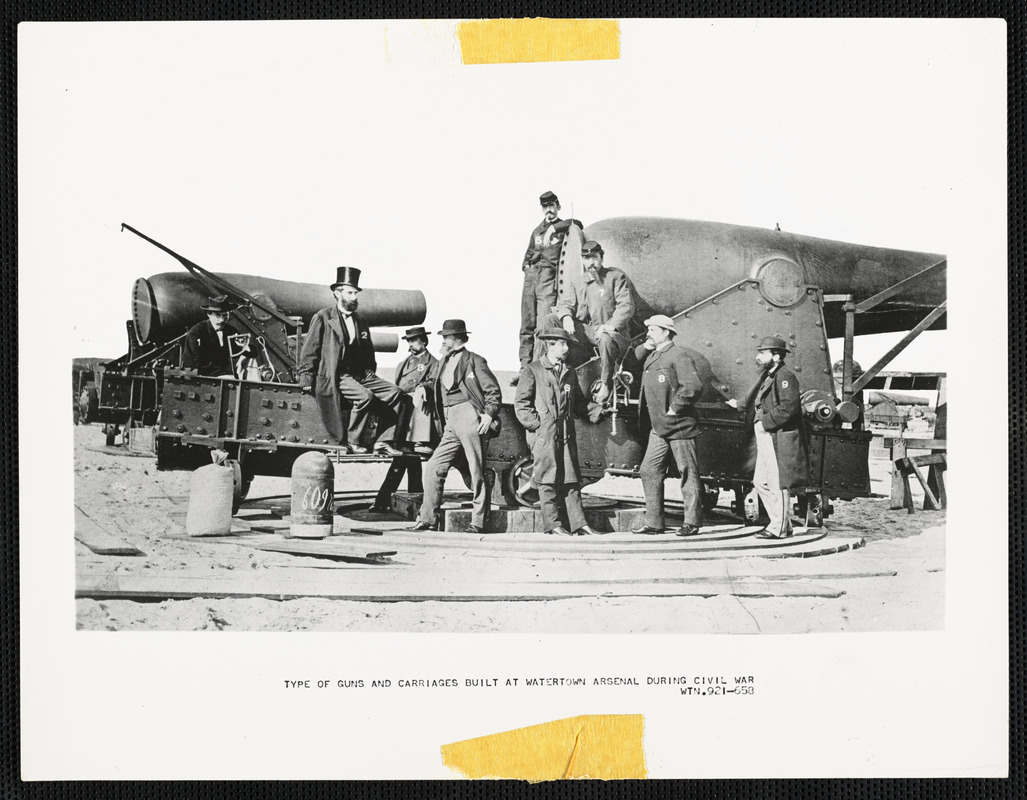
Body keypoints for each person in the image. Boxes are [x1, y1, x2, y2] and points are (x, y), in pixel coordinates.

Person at [298, 266, 409, 456]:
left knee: (396, 393)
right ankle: (354, 441)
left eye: (356, 293)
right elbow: (310, 349)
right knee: (365, 397)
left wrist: (370, 373)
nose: (355, 297)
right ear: (337, 293)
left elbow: (368, 352)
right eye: (350, 293)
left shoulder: (360, 321)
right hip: (337, 374)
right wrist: (306, 377)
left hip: (361, 374)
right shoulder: (323, 317)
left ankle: (382, 441)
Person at [409, 320, 502, 533]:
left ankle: (478, 522)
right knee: (434, 466)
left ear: (456, 339)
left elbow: (493, 391)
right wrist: (423, 388)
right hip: (450, 420)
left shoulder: (475, 360)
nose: (442, 342)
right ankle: (428, 519)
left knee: (476, 470)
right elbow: (435, 381)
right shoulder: (443, 361)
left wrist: (488, 414)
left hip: (470, 415)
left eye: (445, 338)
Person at [514, 328, 599, 536]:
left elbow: (578, 403)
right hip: (544, 435)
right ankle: (552, 525)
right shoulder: (533, 370)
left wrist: (597, 409)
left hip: (565, 434)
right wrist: (537, 426)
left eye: (567, 344)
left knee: (571, 479)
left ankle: (580, 524)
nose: (567, 348)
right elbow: (521, 403)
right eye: (563, 344)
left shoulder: (569, 371)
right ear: (550, 346)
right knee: (546, 479)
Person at [628, 315, 705, 537]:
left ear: (666, 332)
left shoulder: (678, 354)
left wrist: (674, 409)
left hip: (679, 424)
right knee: (649, 470)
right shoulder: (653, 355)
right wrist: (646, 346)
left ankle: (692, 523)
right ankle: (654, 523)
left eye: (652, 330)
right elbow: (632, 362)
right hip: (659, 426)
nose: (648, 333)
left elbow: (692, 386)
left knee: (687, 472)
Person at [536, 240, 635, 403]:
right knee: (550, 320)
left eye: (594, 257)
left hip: (612, 334)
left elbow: (626, 306)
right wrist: (566, 317)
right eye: (587, 258)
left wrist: (610, 325)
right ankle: (547, 369)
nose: (591, 262)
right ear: (583, 260)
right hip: (588, 333)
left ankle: (605, 384)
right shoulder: (577, 282)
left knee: (605, 337)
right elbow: (566, 304)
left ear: (601, 257)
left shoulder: (615, 277)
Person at [368, 327, 439, 514]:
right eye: (409, 341)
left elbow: (434, 383)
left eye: (414, 340)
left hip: (418, 415)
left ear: (424, 341)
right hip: (403, 414)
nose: (410, 344)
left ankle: (382, 499)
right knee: (408, 458)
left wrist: (424, 387)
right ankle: (416, 499)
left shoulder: (433, 363)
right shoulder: (403, 364)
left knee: (404, 456)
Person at [744, 336, 808, 539]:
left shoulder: (784, 376)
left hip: (776, 437)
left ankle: (777, 528)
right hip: (767, 436)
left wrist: (764, 423)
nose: (758, 357)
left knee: (777, 483)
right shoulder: (771, 375)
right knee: (760, 482)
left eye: (763, 353)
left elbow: (789, 407)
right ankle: (783, 524)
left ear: (777, 356)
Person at [519, 190, 566, 372]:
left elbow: (577, 224)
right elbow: (529, 252)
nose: (549, 210)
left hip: (548, 278)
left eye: (552, 206)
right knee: (526, 323)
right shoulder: (537, 230)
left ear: (558, 207)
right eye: (545, 207)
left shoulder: (563, 228)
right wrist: (526, 267)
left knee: (543, 325)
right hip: (531, 278)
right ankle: (524, 367)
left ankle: (538, 368)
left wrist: (555, 228)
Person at [182, 295, 249, 377]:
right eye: (218, 315)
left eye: (225, 315)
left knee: (250, 359)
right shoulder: (196, 332)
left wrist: (243, 347)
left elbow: (242, 356)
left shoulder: (232, 331)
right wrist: (225, 374)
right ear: (209, 314)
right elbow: (192, 364)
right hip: (206, 377)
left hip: (227, 375)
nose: (221, 320)